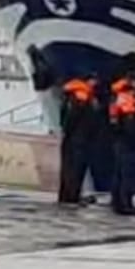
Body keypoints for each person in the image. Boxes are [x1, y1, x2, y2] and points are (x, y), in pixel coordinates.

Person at [57, 73, 100, 205]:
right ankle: (72, 197)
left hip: (71, 138)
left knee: (67, 168)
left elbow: (65, 118)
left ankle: (65, 196)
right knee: (76, 169)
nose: (96, 84)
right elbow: (75, 118)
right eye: (94, 81)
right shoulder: (82, 96)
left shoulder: (70, 95)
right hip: (79, 139)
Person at [107, 75, 135, 216]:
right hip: (128, 142)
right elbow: (130, 124)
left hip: (118, 140)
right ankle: (125, 204)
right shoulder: (128, 100)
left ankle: (116, 201)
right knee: (127, 174)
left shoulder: (116, 98)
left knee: (118, 173)